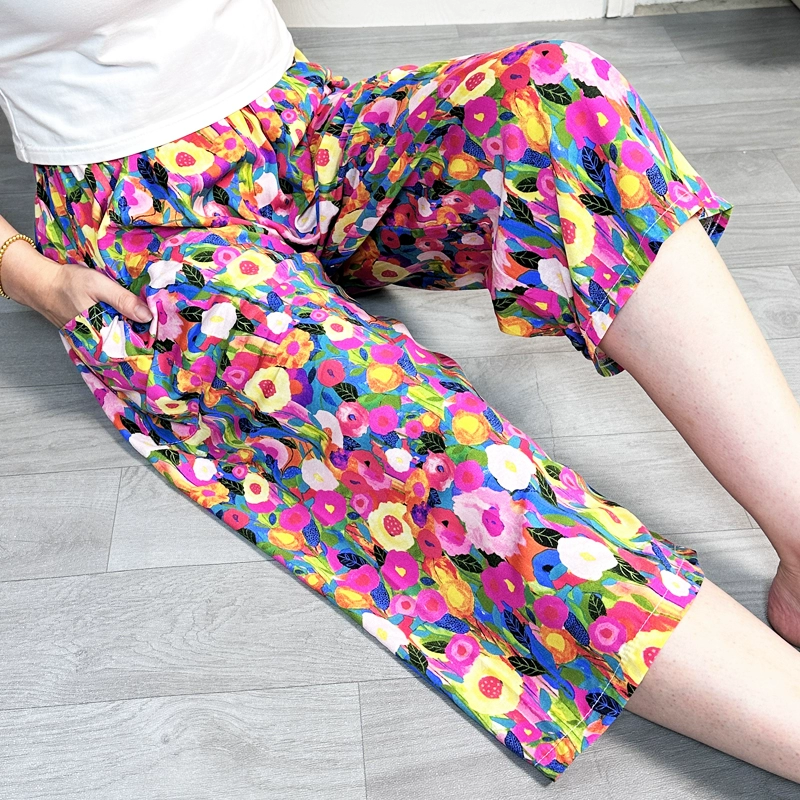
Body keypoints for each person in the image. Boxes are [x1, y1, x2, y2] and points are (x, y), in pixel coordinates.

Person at [0, 0, 798, 785]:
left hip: (297, 123)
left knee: (565, 95)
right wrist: (31, 276)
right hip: (138, 220)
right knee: (403, 420)